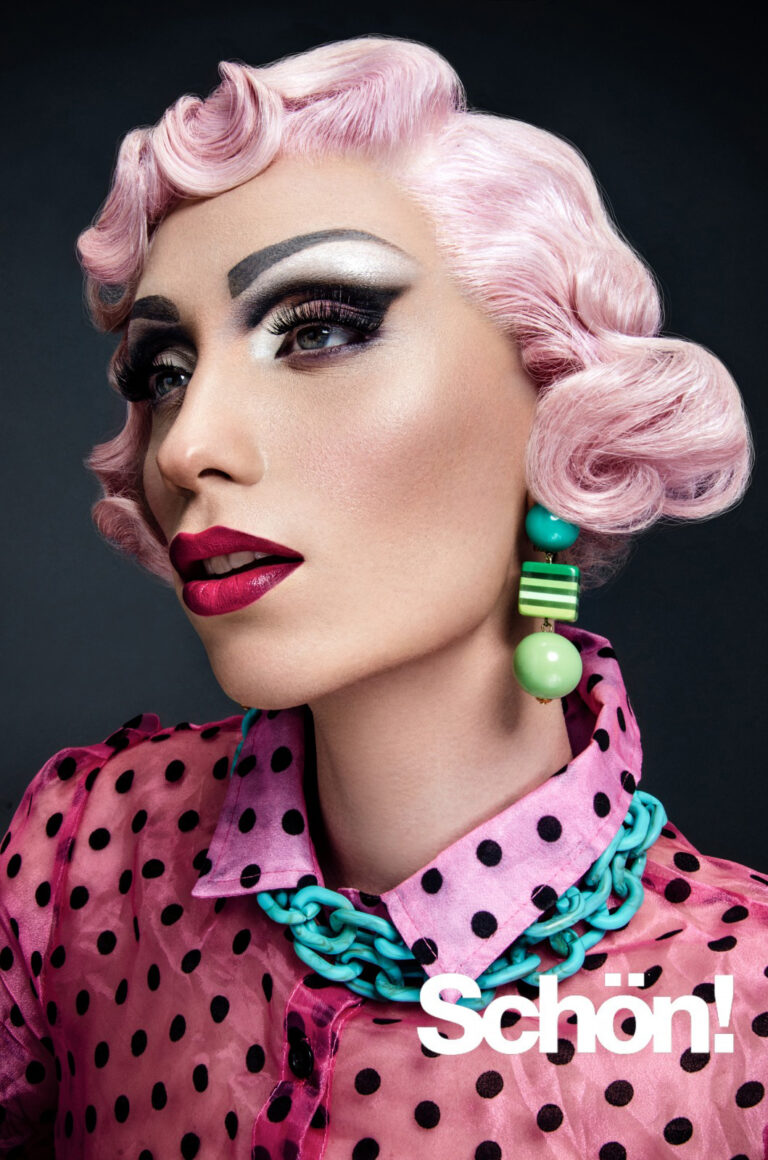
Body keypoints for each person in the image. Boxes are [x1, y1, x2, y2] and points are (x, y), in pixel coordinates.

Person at [1, 35, 765, 1160]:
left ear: (557, 402)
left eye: (319, 330)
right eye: (165, 374)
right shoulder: (82, 855)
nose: (188, 445)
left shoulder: (741, 1017)